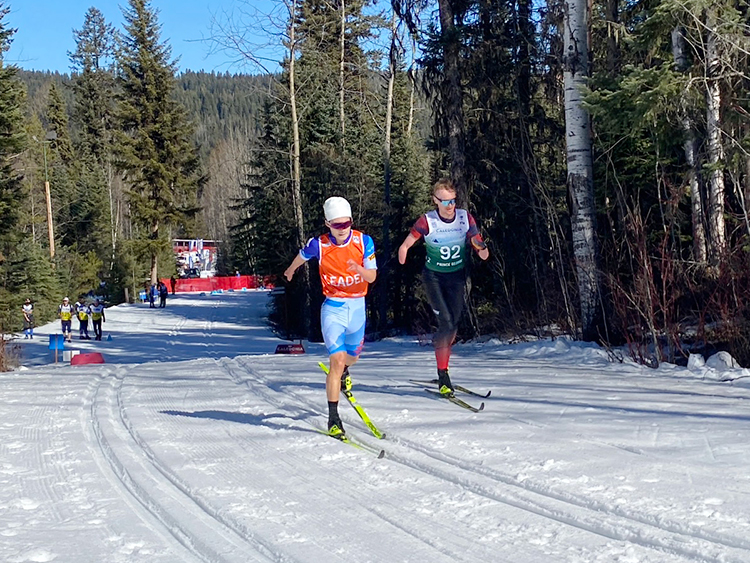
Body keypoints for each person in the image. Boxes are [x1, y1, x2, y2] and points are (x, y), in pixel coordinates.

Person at [283, 196, 378, 437]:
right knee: (336, 360)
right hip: (333, 308)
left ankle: (346, 371)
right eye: (337, 225)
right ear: (328, 224)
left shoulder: (363, 241)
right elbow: (302, 256)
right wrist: (291, 269)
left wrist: (360, 270)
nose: (342, 230)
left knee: (351, 358)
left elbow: (372, 277)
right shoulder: (320, 245)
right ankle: (333, 418)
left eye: (346, 224)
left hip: (357, 308)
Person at [398, 178, 490, 396]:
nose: (450, 207)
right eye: (446, 202)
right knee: (446, 323)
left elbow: (478, 242)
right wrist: (403, 252)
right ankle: (443, 375)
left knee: (453, 324)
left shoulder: (464, 217)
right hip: (434, 278)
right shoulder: (427, 220)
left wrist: (480, 247)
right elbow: (408, 242)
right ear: (435, 201)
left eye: (453, 201)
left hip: (456, 278)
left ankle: (443, 356)